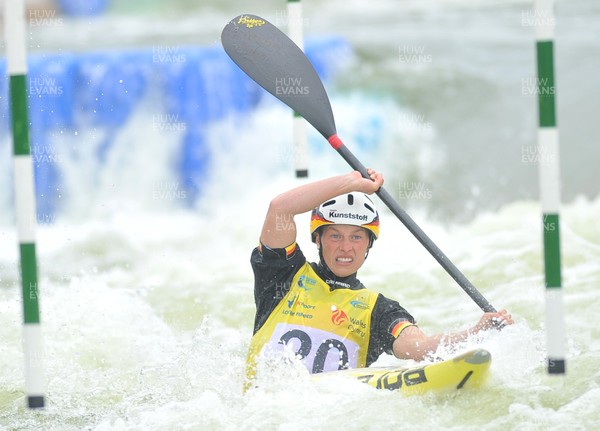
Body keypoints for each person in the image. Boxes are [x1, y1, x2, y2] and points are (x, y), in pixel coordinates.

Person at [246, 169, 513, 384]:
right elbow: (280, 208)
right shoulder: (282, 275)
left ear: (369, 244)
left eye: (357, 237)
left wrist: (476, 332)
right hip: (263, 414)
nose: (346, 247)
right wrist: (351, 182)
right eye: (335, 235)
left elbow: (419, 348)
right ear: (318, 238)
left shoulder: (379, 311)